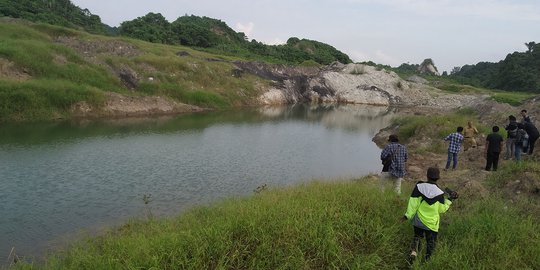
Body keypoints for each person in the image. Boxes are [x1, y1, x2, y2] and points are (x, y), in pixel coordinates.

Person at [403, 167, 456, 261]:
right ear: (438, 177)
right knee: (430, 242)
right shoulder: (440, 192)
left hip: (418, 220)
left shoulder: (419, 187)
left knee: (417, 237)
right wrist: (450, 200)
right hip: (431, 223)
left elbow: (413, 204)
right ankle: (427, 260)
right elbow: (441, 210)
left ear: (427, 176)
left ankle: (414, 252)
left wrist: (407, 216)